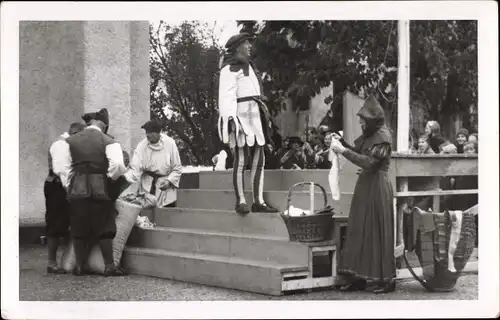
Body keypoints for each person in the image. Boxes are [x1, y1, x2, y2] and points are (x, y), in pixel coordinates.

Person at [329, 95, 396, 294]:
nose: (360, 122)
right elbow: (357, 151)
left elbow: (369, 163)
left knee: (376, 231)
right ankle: (359, 277)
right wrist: (341, 143)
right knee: (358, 229)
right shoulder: (370, 135)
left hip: (377, 186)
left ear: (373, 120)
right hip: (365, 185)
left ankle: (385, 280)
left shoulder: (383, 136)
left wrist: (343, 151)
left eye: (363, 119)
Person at [53, 109, 127, 276]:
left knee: (78, 226)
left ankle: (79, 266)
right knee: (105, 225)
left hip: (77, 188)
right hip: (101, 188)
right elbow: (118, 165)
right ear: (104, 125)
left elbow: (61, 167)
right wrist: (108, 178)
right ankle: (109, 266)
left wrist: (68, 185)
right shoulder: (109, 141)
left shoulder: (69, 141)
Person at [217, 32, 278, 214]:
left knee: (260, 159)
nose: (250, 47)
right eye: (247, 44)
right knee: (241, 159)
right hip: (241, 116)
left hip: (256, 115)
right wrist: (230, 119)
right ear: (238, 47)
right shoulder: (229, 69)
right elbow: (226, 96)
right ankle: (241, 200)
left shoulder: (250, 67)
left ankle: (258, 201)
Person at [44, 122, 86, 274]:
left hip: (64, 186)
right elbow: (62, 171)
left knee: (67, 223)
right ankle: (51, 263)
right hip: (58, 186)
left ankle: (67, 261)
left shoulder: (68, 143)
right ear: (75, 133)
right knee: (55, 224)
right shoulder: (61, 145)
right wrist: (70, 191)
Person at [124, 119, 183, 208]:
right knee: (146, 217)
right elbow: (134, 168)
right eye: (146, 132)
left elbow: (177, 168)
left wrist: (169, 180)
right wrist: (123, 179)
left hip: (164, 187)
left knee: (166, 215)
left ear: (158, 133)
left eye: (151, 132)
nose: (147, 135)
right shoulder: (141, 146)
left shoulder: (170, 143)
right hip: (147, 188)